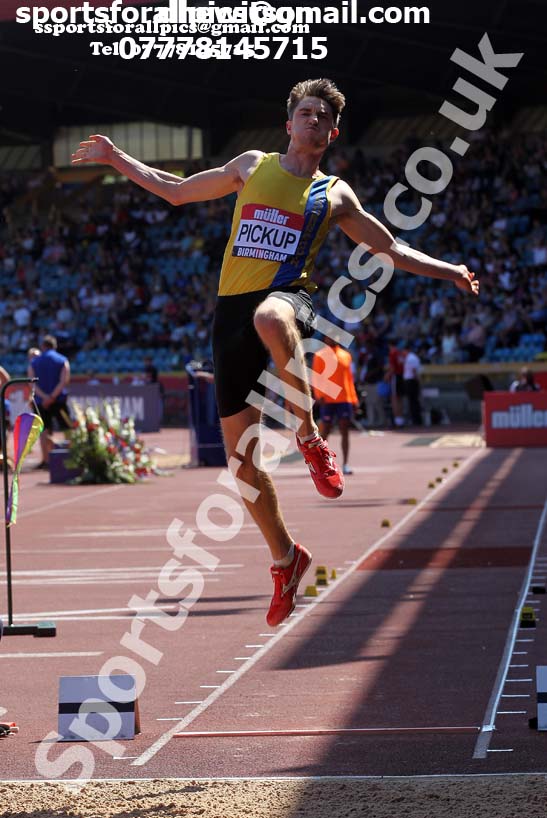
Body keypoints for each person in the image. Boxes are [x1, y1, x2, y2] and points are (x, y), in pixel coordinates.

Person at [72, 78, 479, 626]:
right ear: (289, 124)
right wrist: (116, 156)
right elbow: (174, 189)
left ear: (332, 133)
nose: (312, 120)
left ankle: (308, 436)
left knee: (272, 315)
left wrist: (449, 269)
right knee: (241, 464)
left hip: (290, 299)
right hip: (229, 314)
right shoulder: (250, 166)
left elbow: (389, 247)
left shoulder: (334, 194)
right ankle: (287, 558)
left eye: (321, 117)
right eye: (304, 112)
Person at [312, 334, 359, 475]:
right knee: (324, 433)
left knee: (345, 431)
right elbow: (316, 376)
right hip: (328, 399)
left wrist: (354, 398)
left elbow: (349, 379)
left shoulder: (346, 355)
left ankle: (345, 464)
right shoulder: (320, 355)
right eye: (330, 337)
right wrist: (319, 395)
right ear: (325, 339)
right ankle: (322, 465)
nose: (333, 339)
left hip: (344, 399)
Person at [29, 335, 71, 468]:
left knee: (44, 430)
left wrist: (45, 397)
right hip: (58, 400)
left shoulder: (34, 362)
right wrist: (52, 397)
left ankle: (45, 460)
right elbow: (64, 380)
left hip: (41, 401)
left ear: (43, 346)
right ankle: (72, 457)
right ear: (55, 346)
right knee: (66, 429)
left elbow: (31, 383)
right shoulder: (63, 360)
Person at [387, 340, 406, 427]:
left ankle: (397, 420)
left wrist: (387, 376)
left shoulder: (393, 353)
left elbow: (392, 368)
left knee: (394, 398)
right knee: (400, 398)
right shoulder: (400, 353)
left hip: (396, 376)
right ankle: (400, 420)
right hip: (402, 376)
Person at [403, 345, 423, 426]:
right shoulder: (409, 357)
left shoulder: (411, 358)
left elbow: (414, 371)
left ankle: (416, 420)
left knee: (413, 400)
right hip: (411, 381)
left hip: (412, 381)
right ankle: (415, 419)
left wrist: (418, 381)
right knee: (412, 401)